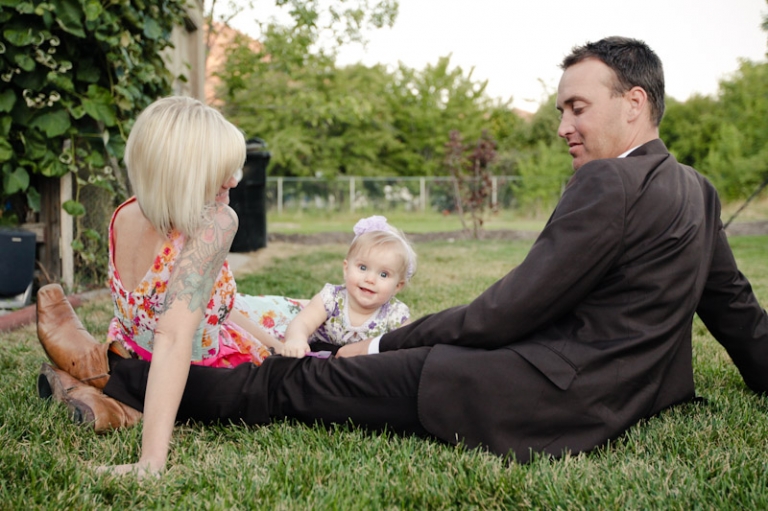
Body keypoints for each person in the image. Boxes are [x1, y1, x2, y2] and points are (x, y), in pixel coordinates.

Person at [42, 36, 768, 477]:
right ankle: (113, 383)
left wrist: (381, 339)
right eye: (559, 109)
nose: (562, 126)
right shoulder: (695, 191)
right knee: (299, 365)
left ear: (634, 103)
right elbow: (735, 309)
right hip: (607, 395)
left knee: (294, 385)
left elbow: (511, 308)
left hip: (527, 394)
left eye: (576, 107)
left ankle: (121, 376)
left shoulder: (608, 180)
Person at [35, 96, 300, 467]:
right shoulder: (216, 221)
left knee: (285, 317)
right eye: (221, 168)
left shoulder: (124, 212)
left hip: (132, 354)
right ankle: (116, 403)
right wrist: (151, 462)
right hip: (198, 364)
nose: (236, 179)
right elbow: (175, 337)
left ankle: (108, 396)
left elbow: (209, 309)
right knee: (311, 315)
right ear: (184, 172)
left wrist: (275, 342)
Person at [281, 215, 415, 358]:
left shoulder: (395, 314)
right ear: (346, 269)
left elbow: (409, 346)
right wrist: (296, 339)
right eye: (363, 267)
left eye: (383, 274)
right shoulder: (331, 298)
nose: (370, 279)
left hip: (364, 370)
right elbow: (302, 322)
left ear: (397, 286)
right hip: (320, 361)